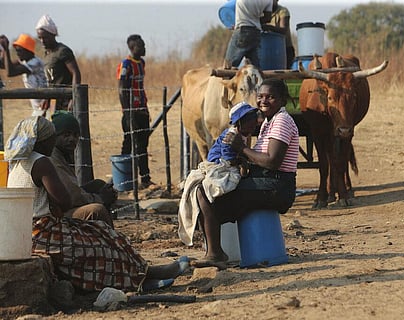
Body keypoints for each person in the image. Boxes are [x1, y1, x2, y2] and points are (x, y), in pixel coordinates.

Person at [5, 116, 189, 292]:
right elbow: (65, 200)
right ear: (42, 140)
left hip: (28, 232)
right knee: (100, 244)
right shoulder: (42, 162)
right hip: (43, 232)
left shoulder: (18, 161)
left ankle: (144, 274)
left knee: (100, 233)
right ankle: (137, 281)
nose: (53, 144)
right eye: (52, 139)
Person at [193, 78, 299, 265]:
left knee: (205, 192)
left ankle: (215, 253)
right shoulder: (269, 121)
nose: (264, 101)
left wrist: (241, 148)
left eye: (271, 97)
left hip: (277, 186)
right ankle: (215, 250)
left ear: (282, 100)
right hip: (268, 181)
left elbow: (273, 162)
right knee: (205, 188)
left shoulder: (281, 121)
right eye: (260, 97)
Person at [178, 101, 259, 246]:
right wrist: (242, 162)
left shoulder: (244, 134)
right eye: (250, 121)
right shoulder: (231, 136)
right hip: (218, 163)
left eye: (255, 120)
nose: (254, 124)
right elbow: (227, 159)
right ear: (239, 123)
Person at [50, 110, 117, 227]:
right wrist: (100, 199)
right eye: (66, 135)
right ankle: (111, 240)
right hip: (52, 215)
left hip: (61, 206)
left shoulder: (64, 154)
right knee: (97, 210)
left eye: (75, 135)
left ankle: (99, 236)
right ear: (55, 137)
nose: (72, 139)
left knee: (98, 185)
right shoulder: (52, 157)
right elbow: (72, 195)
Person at [117, 34, 155, 190]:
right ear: (133, 48)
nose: (145, 48)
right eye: (142, 46)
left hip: (142, 110)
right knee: (128, 144)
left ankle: (145, 179)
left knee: (143, 145)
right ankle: (124, 180)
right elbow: (121, 89)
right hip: (131, 111)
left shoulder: (142, 63)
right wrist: (127, 112)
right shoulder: (126, 64)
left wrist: (145, 109)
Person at [35, 14, 81, 111]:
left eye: (45, 37)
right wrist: (47, 98)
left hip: (66, 99)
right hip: (55, 101)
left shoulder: (62, 51)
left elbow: (75, 73)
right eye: (40, 38)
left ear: (53, 35)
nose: (42, 41)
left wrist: (74, 97)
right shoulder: (47, 54)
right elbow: (51, 81)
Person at [0, 33, 48, 116]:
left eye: (19, 50)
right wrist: (3, 50)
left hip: (43, 107)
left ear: (28, 51)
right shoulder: (25, 61)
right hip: (38, 107)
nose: (17, 53)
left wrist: (6, 49)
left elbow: (10, 72)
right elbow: (3, 65)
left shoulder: (35, 63)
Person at [224, 0, 273, 68]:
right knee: (254, 68)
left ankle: (227, 77)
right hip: (256, 32)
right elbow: (268, 18)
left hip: (242, 31)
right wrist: (253, 20)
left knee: (229, 65)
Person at [262, 0, 295, 68]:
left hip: (284, 49)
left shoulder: (283, 11)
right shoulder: (262, 13)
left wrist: (268, 27)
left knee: (284, 73)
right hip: (267, 49)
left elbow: (283, 29)